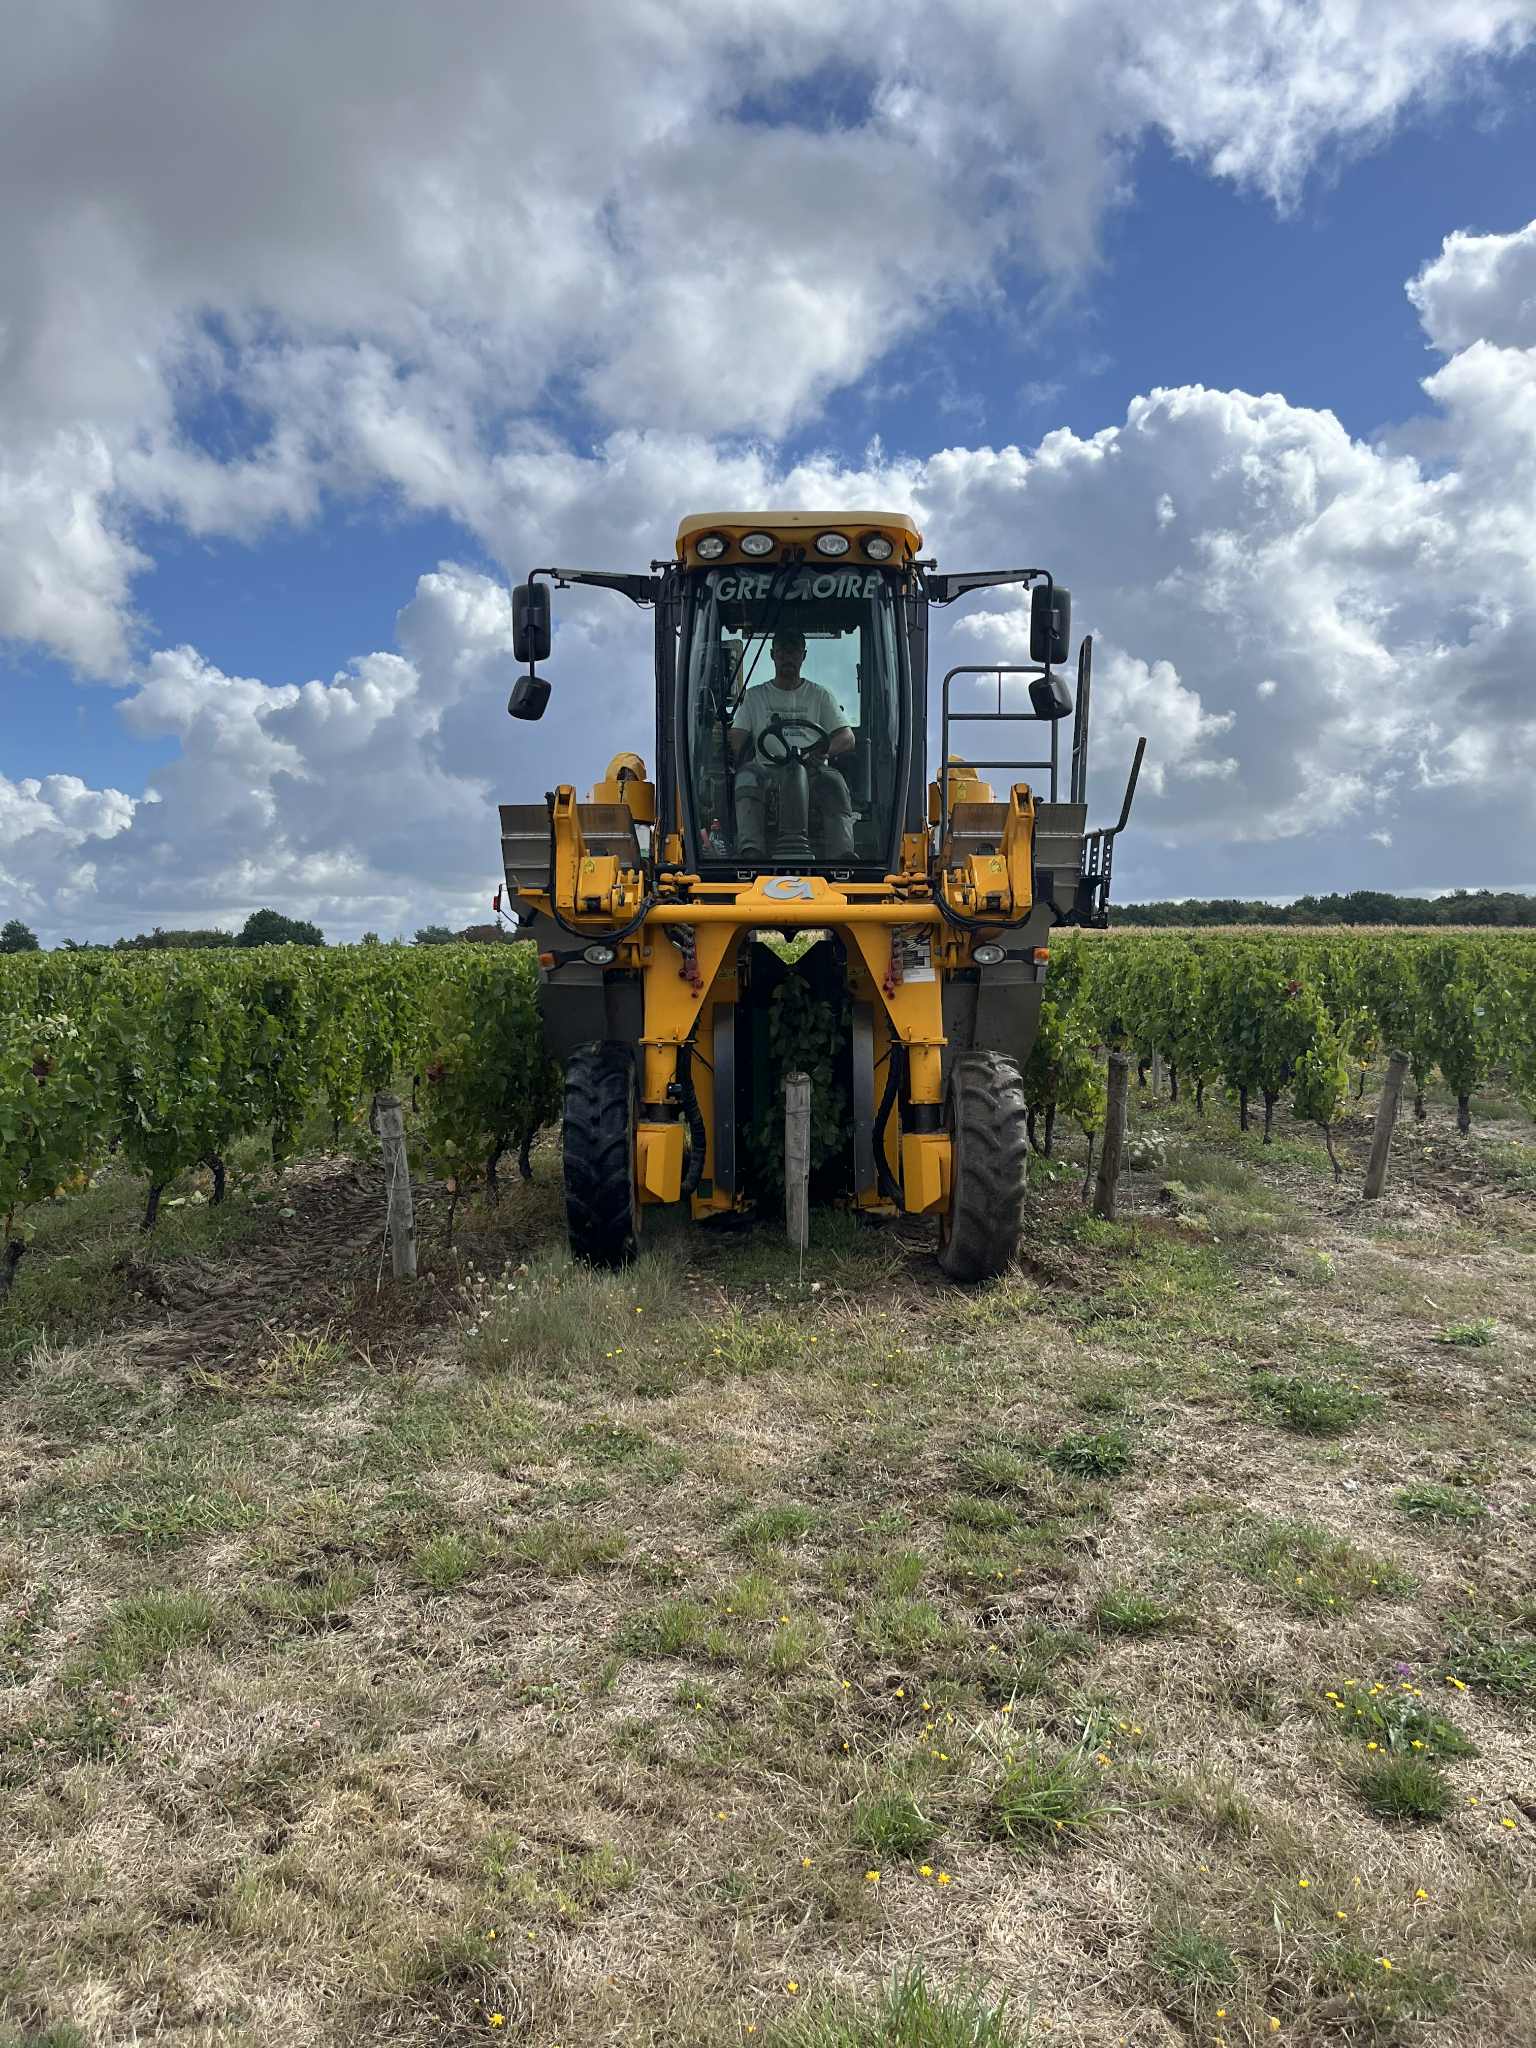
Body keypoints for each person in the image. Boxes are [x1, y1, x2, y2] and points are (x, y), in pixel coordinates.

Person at [728, 629, 856, 860]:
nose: (788, 657)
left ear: (803, 655)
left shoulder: (820, 696)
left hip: (813, 770)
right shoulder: (755, 697)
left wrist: (824, 751)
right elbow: (736, 737)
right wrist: (740, 755)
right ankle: (751, 852)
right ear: (772, 655)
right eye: (782, 651)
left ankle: (843, 855)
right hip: (767, 771)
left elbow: (847, 737)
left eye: (794, 651)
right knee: (746, 778)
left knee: (834, 782)